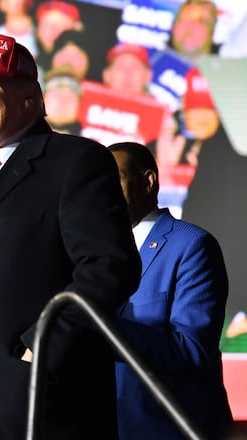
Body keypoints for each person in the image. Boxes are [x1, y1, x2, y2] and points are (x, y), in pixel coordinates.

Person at [0, 32, 141, 439]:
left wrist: (40, 350)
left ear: (29, 96)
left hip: (39, 404)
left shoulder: (76, 161)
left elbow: (109, 267)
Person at [108, 141, 232, 439]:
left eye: (115, 179)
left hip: (170, 428)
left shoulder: (191, 245)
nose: (103, 191)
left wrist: (102, 328)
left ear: (148, 181)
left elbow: (192, 351)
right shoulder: (96, 253)